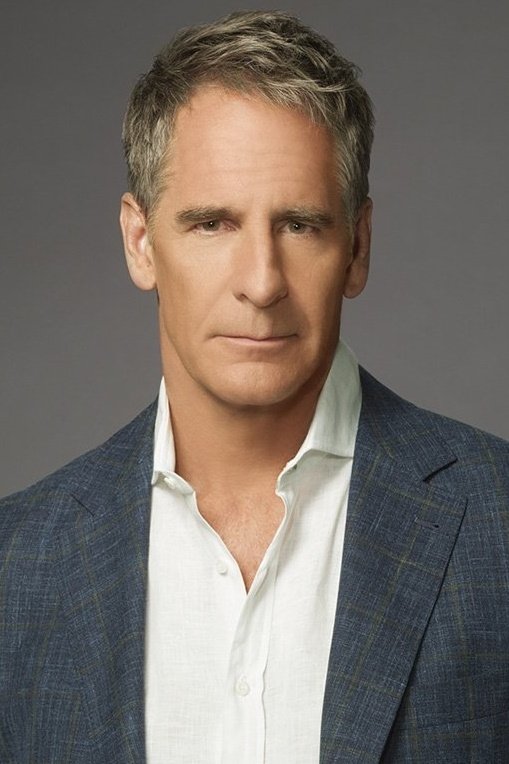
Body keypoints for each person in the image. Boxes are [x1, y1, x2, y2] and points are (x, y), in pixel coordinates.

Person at [1, 9, 508, 763]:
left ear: (358, 247)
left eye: (300, 225)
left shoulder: (496, 522)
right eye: (212, 224)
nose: (262, 282)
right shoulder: (17, 565)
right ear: (141, 243)